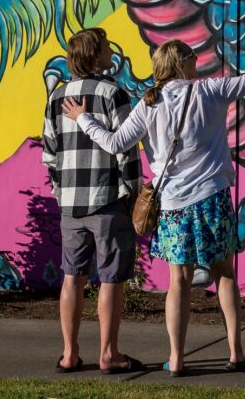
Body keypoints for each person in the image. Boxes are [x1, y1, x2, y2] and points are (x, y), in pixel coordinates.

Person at [62, 35, 245, 376]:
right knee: (224, 274)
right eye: (193, 56)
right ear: (181, 62)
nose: (198, 60)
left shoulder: (148, 104)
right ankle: (236, 353)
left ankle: (177, 360)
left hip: (173, 205)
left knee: (177, 281)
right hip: (213, 199)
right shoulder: (209, 91)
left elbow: (115, 142)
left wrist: (83, 119)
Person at [42, 27, 143, 374]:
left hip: (70, 201)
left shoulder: (56, 97)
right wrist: (133, 192)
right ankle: (109, 354)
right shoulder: (114, 94)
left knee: (73, 276)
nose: (111, 51)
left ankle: (69, 354)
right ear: (95, 54)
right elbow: (126, 150)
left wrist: (60, 191)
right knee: (111, 277)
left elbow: (50, 153)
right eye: (106, 47)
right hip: (108, 198)